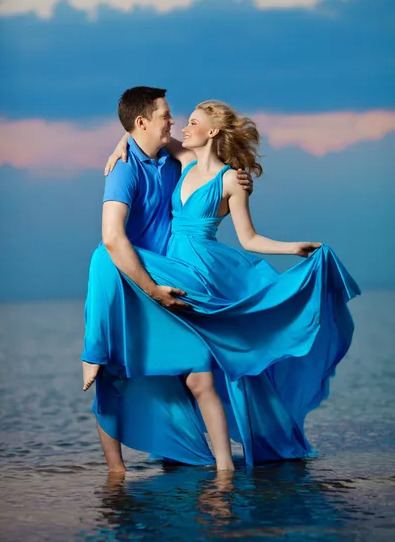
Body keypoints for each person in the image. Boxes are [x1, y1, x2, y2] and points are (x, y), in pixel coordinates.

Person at [82, 87, 360, 472]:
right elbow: (140, 129)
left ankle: (224, 468)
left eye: (192, 122)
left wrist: (293, 248)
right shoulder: (177, 160)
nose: (180, 124)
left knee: (210, 365)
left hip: (195, 269)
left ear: (212, 132)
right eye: (176, 118)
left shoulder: (222, 176)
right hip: (164, 267)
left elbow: (249, 238)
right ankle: (197, 463)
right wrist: (120, 144)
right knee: (189, 369)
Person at [82, 86, 254, 473]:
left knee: (197, 374)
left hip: (170, 277)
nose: (173, 122)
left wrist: (124, 136)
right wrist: (124, 141)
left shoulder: (176, 160)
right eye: (166, 116)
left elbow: (206, 161)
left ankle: (214, 468)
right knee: (115, 375)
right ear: (145, 122)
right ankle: (116, 475)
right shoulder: (124, 169)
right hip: (133, 282)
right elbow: (111, 238)